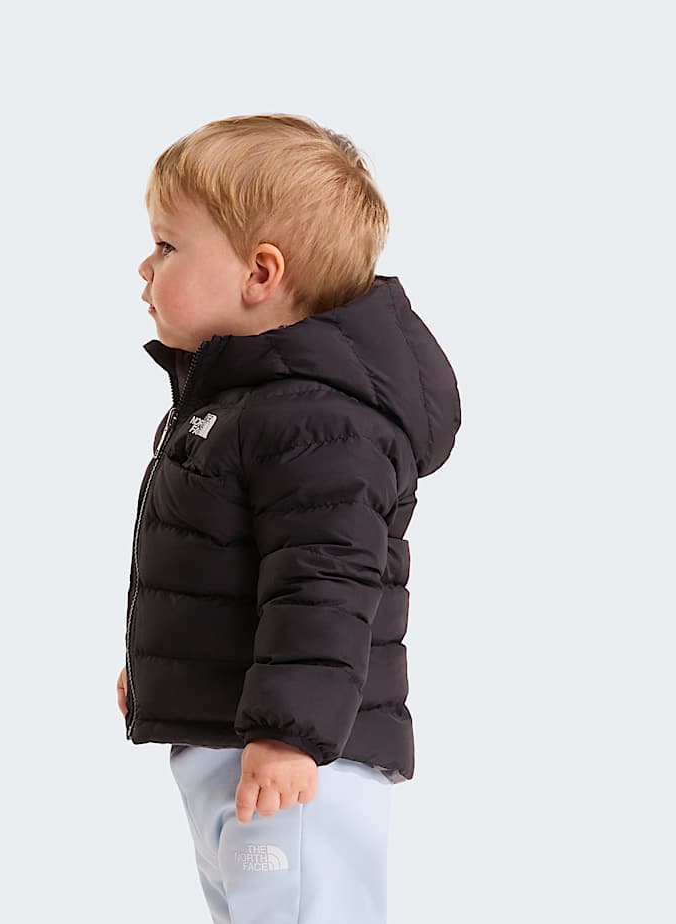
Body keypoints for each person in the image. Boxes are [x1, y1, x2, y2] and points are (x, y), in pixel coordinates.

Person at [115, 113, 461, 924]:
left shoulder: (320, 422)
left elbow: (326, 584)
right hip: (239, 740)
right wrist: (162, 667)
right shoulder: (245, 406)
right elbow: (217, 567)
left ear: (260, 273)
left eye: (167, 245)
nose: (144, 266)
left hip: (297, 755)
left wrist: (290, 734)